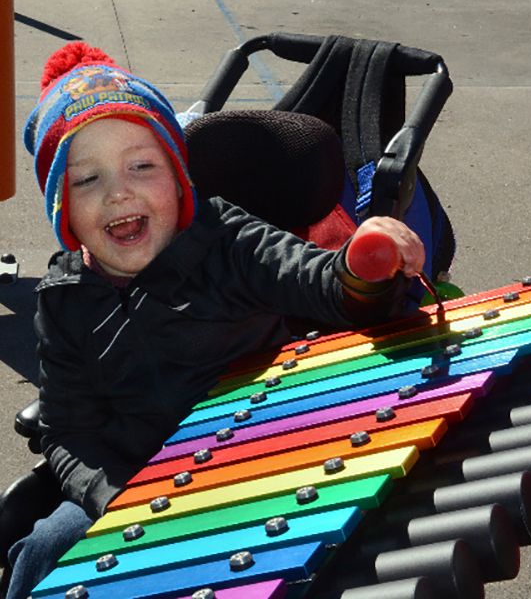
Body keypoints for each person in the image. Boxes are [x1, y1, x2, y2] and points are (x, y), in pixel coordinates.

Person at [5, 42, 426, 598]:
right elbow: (67, 431)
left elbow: (320, 282)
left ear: (179, 178)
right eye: (86, 180)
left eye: (142, 165)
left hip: (261, 468)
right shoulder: (64, 298)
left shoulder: (226, 238)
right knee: (41, 550)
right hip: (134, 484)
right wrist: (117, 500)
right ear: (63, 211)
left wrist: (363, 266)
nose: (118, 191)